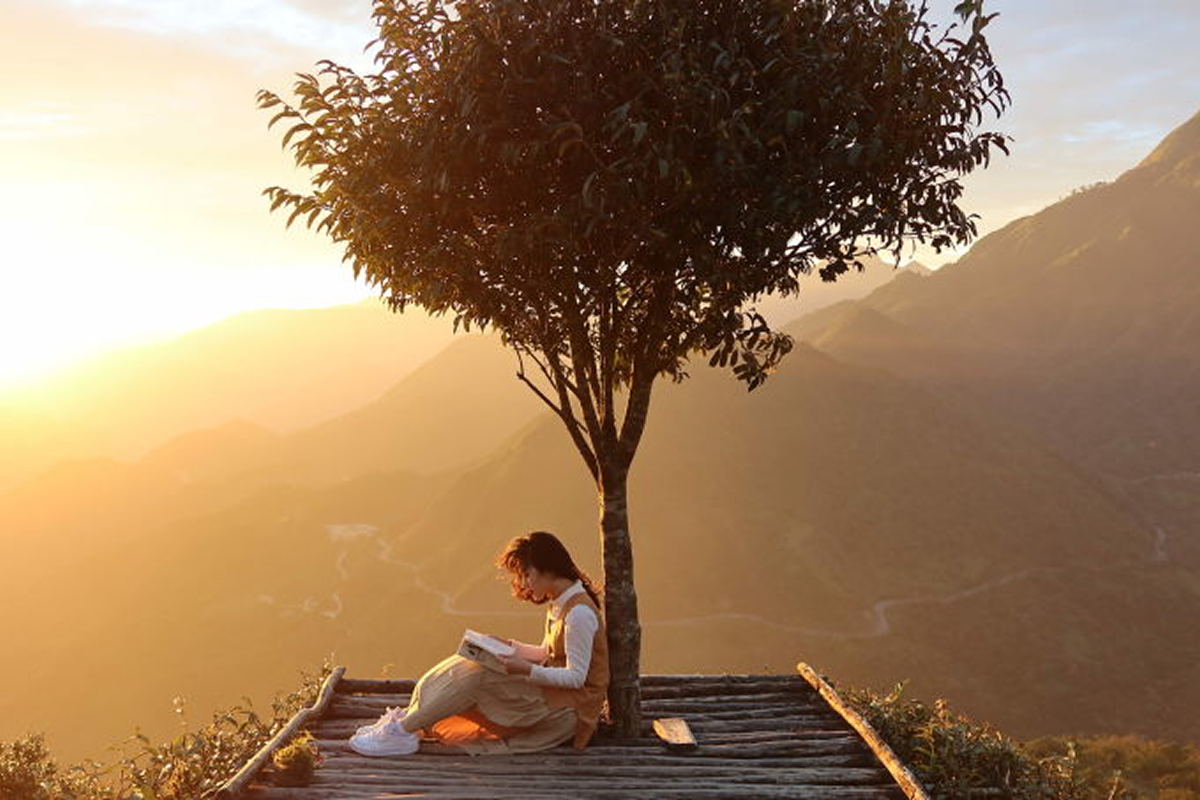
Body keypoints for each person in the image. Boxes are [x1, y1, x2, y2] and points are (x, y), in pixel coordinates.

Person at [349, 530, 610, 756]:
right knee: (468, 663)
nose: (525, 583)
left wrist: (524, 669)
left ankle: (401, 732)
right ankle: (408, 721)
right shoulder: (560, 602)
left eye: (527, 574)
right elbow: (547, 652)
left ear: (548, 569)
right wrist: (508, 645)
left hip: (568, 710)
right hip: (551, 694)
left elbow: (577, 678)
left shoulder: (579, 614)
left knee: (479, 678)